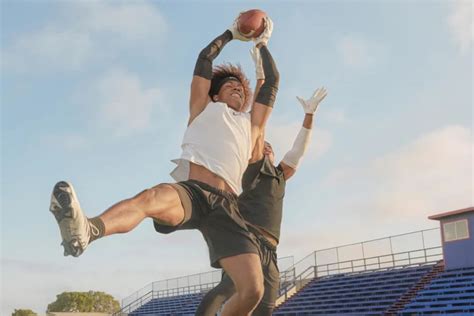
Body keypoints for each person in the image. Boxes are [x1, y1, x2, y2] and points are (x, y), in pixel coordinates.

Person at [49, 15, 279, 316]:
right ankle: (87, 230)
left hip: (228, 208)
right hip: (193, 192)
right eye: (231, 85)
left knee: (253, 290)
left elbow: (271, 83)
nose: (238, 89)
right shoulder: (202, 107)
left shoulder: (251, 127)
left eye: (241, 89)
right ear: (214, 93)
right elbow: (204, 59)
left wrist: (263, 44)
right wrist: (230, 34)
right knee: (150, 198)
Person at [195, 87, 328, 315]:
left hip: (271, 248)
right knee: (227, 289)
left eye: (270, 147)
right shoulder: (252, 167)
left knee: (265, 307)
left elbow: (299, 150)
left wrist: (309, 115)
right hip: (246, 241)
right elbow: (257, 127)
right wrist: (262, 87)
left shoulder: (280, 175)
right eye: (262, 145)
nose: (267, 147)